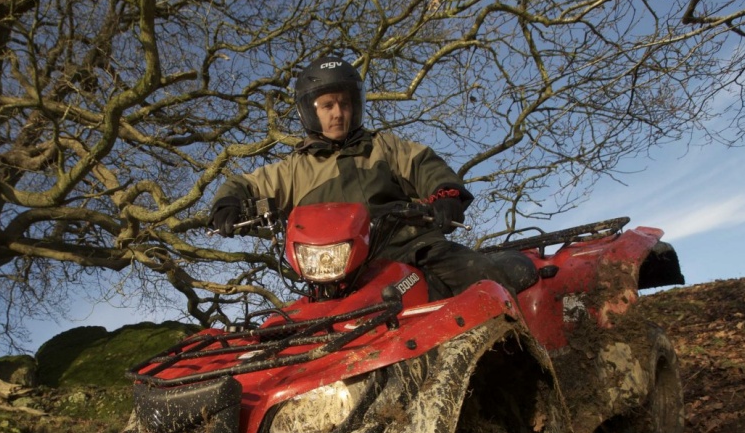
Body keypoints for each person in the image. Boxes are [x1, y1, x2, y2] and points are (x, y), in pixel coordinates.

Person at [209, 55, 515, 299]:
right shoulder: (293, 170)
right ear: (310, 112)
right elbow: (245, 184)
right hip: (333, 275)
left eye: (344, 103)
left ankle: (527, 344)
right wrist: (227, 204)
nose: (337, 113)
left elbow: (425, 166)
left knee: (481, 278)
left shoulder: (383, 147)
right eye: (327, 105)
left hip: (409, 247)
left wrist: (446, 195)